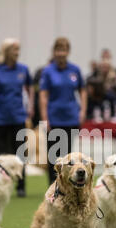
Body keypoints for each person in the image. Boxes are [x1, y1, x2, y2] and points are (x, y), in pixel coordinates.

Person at [0, 38, 33, 197]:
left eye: (18, 50)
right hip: (0, 118)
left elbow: (30, 88)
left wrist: (30, 107)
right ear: (6, 52)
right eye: (14, 50)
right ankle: (0, 185)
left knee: (20, 153)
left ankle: (21, 186)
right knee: (0, 154)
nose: (17, 53)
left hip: (18, 117)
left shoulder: (23, 69)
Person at [39, 37, 87, 184]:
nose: (61, 53)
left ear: (68, 52)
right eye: (58, 50)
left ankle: (67, 185)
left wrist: (83, 110)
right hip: (54, 118)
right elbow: (43, 95)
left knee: (68, 156)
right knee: (53, 155)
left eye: (64, 50)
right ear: (54, 52)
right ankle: (53, 186)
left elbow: (83, 91)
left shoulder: (75, 70)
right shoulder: (48, 71)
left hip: (71, 117)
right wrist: (44, 118)